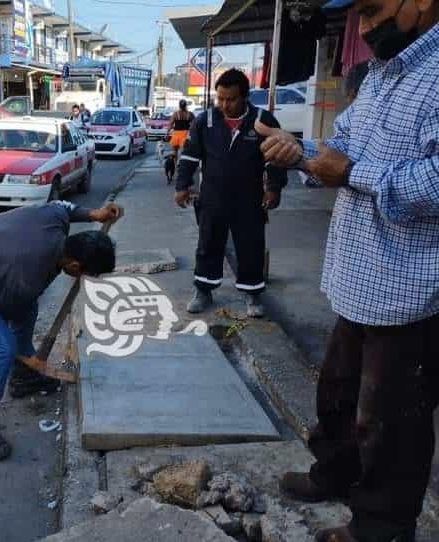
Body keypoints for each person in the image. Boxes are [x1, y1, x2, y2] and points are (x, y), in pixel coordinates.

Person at [255, 0, 439, 539]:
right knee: (337, 394)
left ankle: (380, 526)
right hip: (355, 277)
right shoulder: (382, 75)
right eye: (357, 14)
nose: (362, 27)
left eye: (374, 10)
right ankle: (334, 473)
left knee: (391, 423)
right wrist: (299, 151)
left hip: (410, 291)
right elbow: (339, 148)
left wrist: (354, 172)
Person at [0, 200, 123, 461]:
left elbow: (64, 206)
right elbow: (4, 311)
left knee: (27, 312)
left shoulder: (56, 220)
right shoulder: (27, 274)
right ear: (74, 267)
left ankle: (23, 377)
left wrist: (94, 212)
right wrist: (26, 357)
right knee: (1, 348)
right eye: (87, 275)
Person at [174, 69, 287, 318]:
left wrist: (273, 188)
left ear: (245, 97)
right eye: (221, 98)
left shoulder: (262, 120)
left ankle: (253, 294)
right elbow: (190, 156)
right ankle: (203, 290)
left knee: (251, 247)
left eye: (231, 99)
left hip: (249, 200)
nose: (225, 104)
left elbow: (276, 159)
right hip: (212, 198)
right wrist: (182, 186)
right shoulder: (205, 121)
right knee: (208, 245)